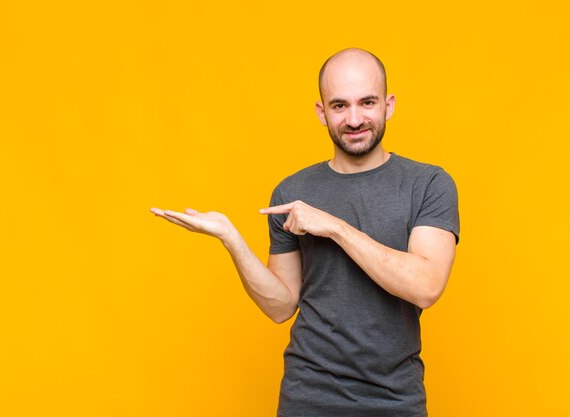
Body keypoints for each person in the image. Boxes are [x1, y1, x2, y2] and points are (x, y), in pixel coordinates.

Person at [151, 48, 459, 417]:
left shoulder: (428, 184)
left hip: (395, 400)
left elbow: (425, 286)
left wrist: (335, 227)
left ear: (389, 105)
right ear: (322, 112)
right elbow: (280, 306)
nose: (355, 118)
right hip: (308, 397)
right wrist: (232, 240)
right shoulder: (291, 192)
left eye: (368, 102)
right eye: (340, 105)